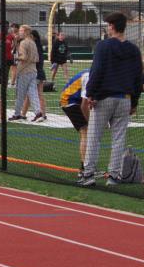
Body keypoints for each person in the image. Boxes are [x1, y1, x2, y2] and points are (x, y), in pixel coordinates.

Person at [77, 12, 142, 187]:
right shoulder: (134, 50)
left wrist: (91, 94)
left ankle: (88, 174)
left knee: (94, 136)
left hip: (104, 98)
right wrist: (134, 102)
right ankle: (113, 176)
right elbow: (138, 78)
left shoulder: (103, 46)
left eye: (108, 25)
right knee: (119, 139)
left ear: (112, 26)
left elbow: (97, 71)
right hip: (125, 99)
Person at [60, 68, 91, 174]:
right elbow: (84, 105)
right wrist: (90, 121)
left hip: (75, 99)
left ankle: (87, 165)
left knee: (87, 131)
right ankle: (84, 167)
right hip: (69, 101)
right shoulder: (88, 76)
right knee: (85, 131)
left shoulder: (92, 73)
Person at [9, 25, 44, 122]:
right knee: (33, 94)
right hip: (33, 71)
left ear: (26, 32)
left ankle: (17, 114)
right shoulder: (33, 42)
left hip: (24, 71)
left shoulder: (24, 43)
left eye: (21, 31)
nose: (19, 32)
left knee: (20, 94)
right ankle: (38, 113)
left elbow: (23, 57)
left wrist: (15, 57)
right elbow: (37, 58)